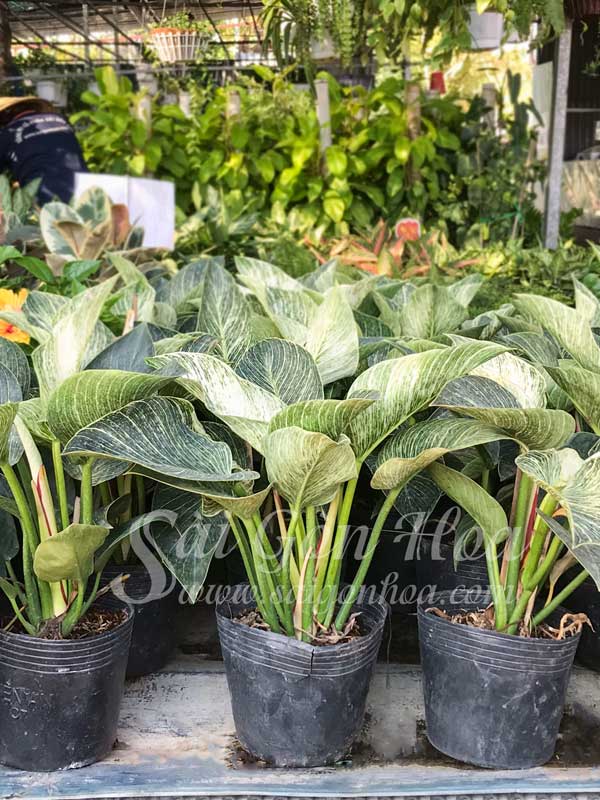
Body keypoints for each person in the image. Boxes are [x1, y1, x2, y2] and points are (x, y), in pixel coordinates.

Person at [0, 96, 88, 204]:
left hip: (45, 195)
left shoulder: (8, 132)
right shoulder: (60, 119)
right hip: (85, 189)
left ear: (5, 115)